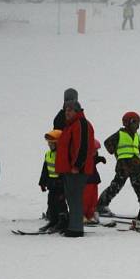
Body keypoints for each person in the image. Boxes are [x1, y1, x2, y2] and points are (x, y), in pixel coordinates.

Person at [55, 100, 97, 238]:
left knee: (75, 198)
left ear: (77, 111)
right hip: (69, 170)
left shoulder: (81, 124)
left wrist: (77, 166)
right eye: (65, 110)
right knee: (72, 198)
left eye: (70, 110)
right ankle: (73, 226)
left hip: (77, 170)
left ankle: (76, 229)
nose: (67, 112)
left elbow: (83, 147)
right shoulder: (71, 125)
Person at [96, 112, 140, 217]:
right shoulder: (120, 134)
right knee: (116, 186)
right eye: (135, 122)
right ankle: (101, 205)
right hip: (123, 166)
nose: (137, 125)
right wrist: (114, 152)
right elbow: (107, 142)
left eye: (138, 123)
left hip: (135, 165)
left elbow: (137, 148)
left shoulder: (137, 136)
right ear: (127, 123)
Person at [38, 130, 68, 233]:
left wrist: (63, 182)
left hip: (61, 184)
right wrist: (42, 183)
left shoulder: (62, 154)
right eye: (49, 143)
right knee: (51, 202)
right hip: (52, 183)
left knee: (60, 203)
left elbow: (65, 171)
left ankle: (63, 222)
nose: (50, 145)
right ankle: (54, 221)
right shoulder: (48, 154)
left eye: (52, 143)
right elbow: (45, 170)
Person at [83, 140, 106, 225]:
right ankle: (83, 215)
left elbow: (94, 160)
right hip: (87, 182)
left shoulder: (93, 158)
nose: (95, 152)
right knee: (86, 200)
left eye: (96, 150)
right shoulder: (85, 159)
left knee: (93, 200)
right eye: (94, 150)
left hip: (94, 181)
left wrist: (100, 159)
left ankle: (91, 215)